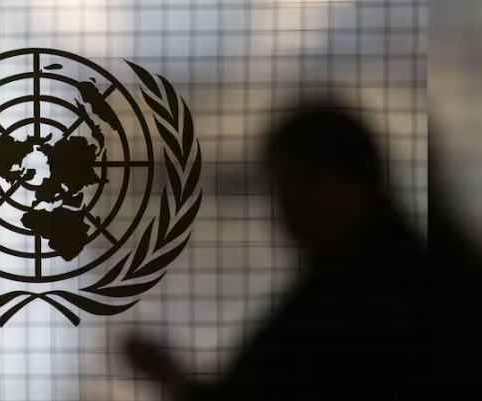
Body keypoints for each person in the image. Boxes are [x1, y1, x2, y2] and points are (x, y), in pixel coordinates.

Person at [124, 100, 431, 400]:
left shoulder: (348, 301)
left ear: (358, 184)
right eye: (283, 186)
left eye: (307, 182)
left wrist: (170, 376)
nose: (290, 205)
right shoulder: (384, 278)